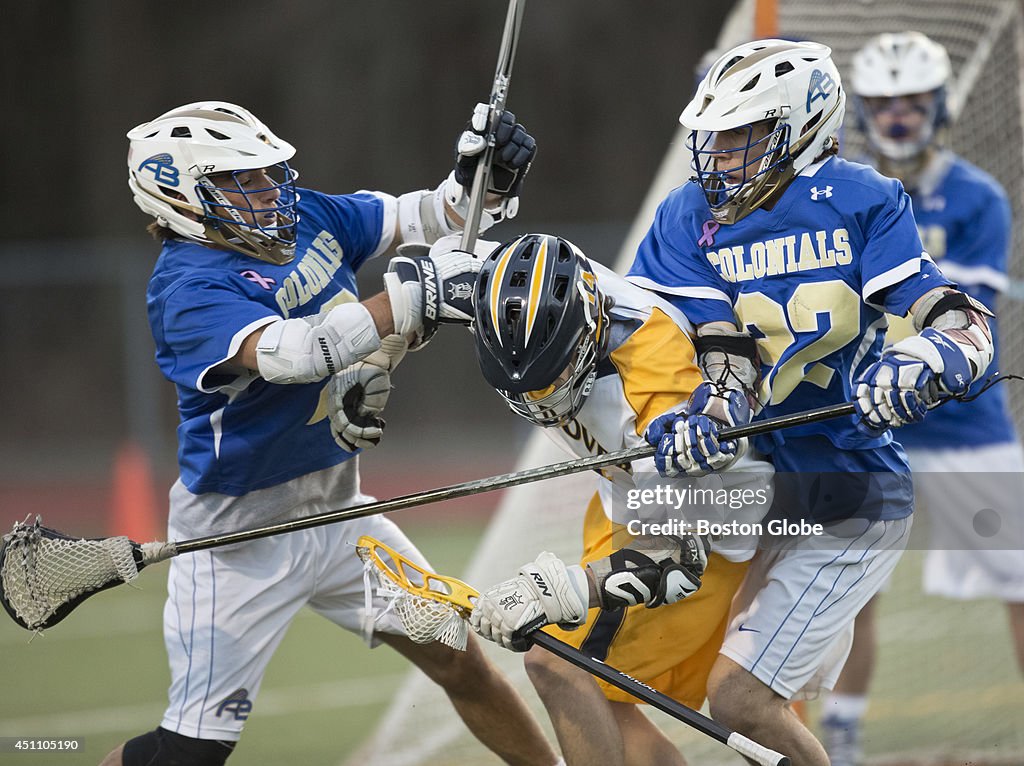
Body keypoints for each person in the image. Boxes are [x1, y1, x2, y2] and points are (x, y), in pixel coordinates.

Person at [100, 100, 562, 766]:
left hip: (342, 520)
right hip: (241, 543)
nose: (268, 191)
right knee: (187, 755)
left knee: (459, 659)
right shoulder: (186, 287)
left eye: (267, 173)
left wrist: (480, 184)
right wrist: (412, 296)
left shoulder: (305, 216)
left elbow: (432, 218)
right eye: (241, 180)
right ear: (177, 195)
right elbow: (298, 353)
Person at [620, 39, 994, 766]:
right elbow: (714, 353)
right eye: (714, 135)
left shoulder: (863, 198)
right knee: (682, 680)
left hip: (850, 495)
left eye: (742, 134)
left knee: (739, 700)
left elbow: (954, 316)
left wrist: (926, 358)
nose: (718, 154)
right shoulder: (686, 215)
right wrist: (702, 417)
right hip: (755, 493)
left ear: (803, 128)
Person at [465, 233, 775, 766]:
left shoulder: (658, 390)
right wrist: (377, 359)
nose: (540, 400)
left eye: (552, 376)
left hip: (712, 526)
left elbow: (677, 561)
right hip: (627, 494)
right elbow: (423, 288)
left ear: (588, 334)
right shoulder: (515, 300)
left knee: (557, 665)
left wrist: (557, 591)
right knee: (604, 702)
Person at [818, 32, 1024, 766]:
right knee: (848, 589)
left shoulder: (976, 197)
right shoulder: (841, 195)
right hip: (871, 427)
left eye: (911, 101)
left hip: (966, 427)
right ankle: (839, 730)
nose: (898, 116)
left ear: (939, 104)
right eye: (882, 102)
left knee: (1022, 573)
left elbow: (961, 321)